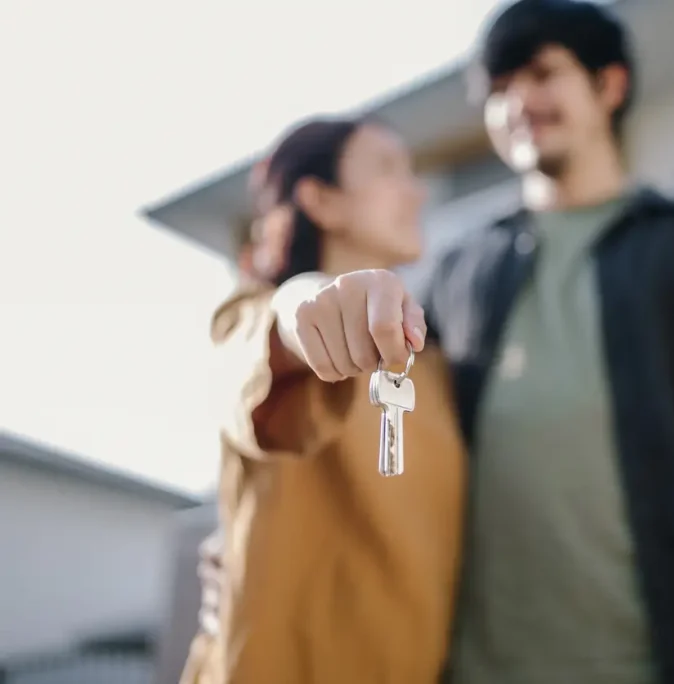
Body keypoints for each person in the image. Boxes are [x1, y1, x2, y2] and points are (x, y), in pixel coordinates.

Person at [277, 1, 674, 683]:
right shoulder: (460, 272)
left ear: (609, 87)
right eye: (497, 89)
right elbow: (385, 447)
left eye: (542, 74)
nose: (518, 101)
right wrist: (264, 551)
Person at [185, 117, 467, 684]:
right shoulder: (249, 317)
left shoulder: (435, 366)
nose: (415, 192)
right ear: (320, 199)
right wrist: (305, 301)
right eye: (389, 170)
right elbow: (271, 340)